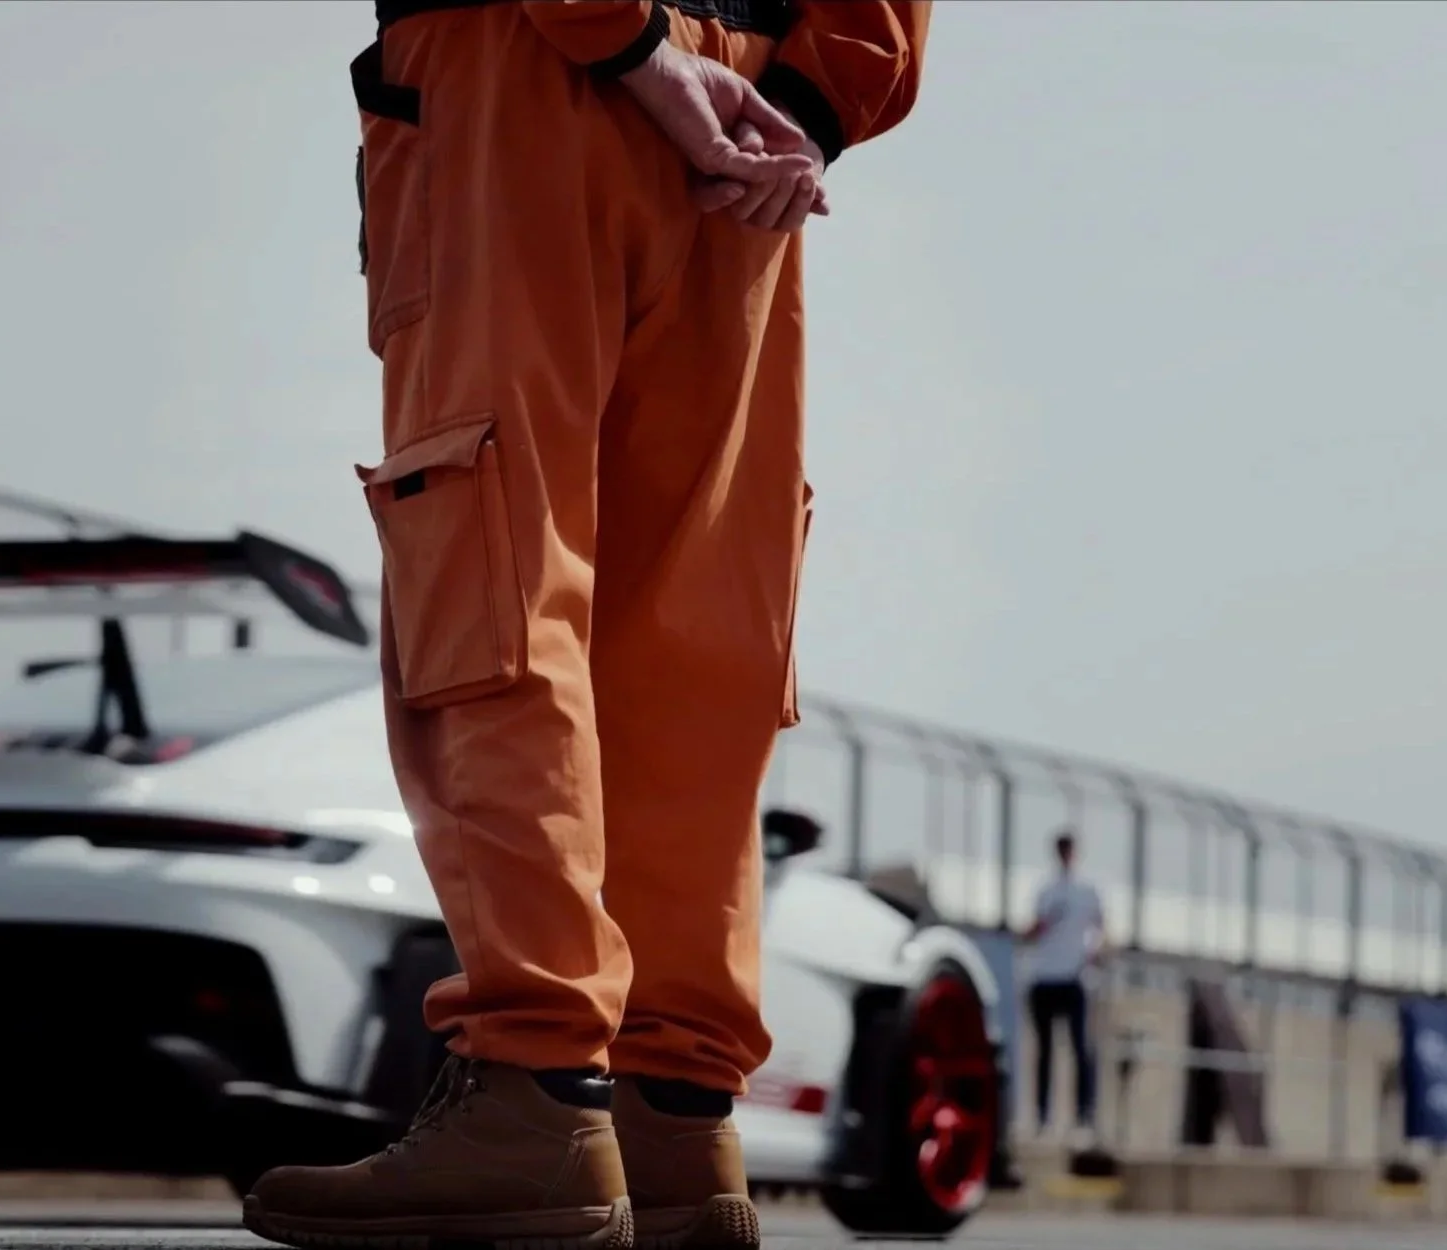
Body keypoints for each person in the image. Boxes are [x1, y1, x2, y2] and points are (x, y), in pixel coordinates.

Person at [244, 4, 932, 1249]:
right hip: (757, 113)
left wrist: (621, 43)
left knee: (497, 567)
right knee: (696, 629)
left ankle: (536, 1093)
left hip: (530, 58)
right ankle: (672, 1119)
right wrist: (816, 111)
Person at [1020, 830, 1104, 1144]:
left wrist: (1095, 952)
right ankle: (1043, 1116)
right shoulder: (1046, 890)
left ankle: (1084, 1116)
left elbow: (1101, 927)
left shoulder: (1088, 889)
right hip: (1045, 977)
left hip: (1074, 977)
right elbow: (1035, 927)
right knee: (1044, 1051)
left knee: (1081, 1048)